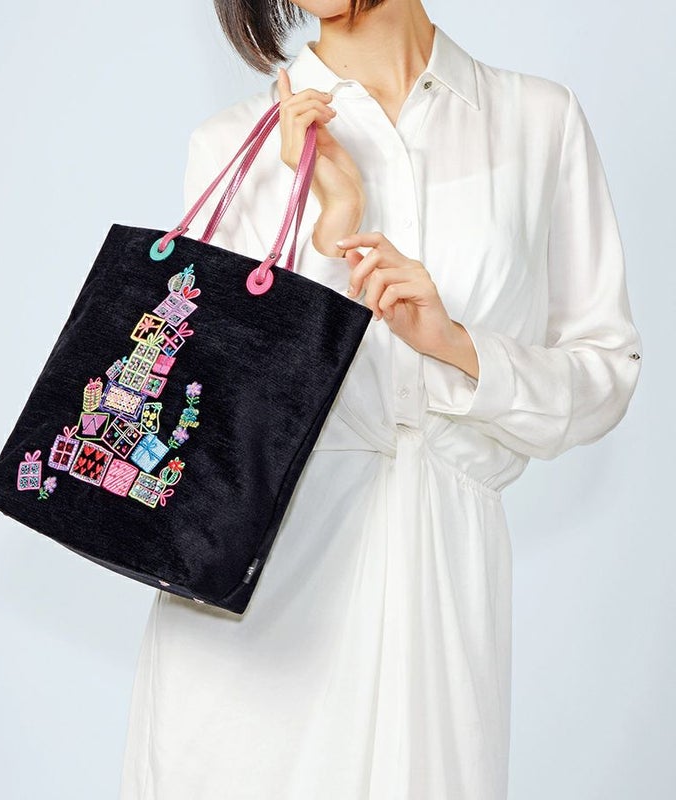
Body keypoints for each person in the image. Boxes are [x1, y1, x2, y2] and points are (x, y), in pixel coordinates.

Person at [119, 1, 643, 798]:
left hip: (440, 583)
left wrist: (456, 346)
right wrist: (332, 228)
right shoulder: (235, 143)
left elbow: (604, 375)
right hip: (253, 608)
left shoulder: (538, 122)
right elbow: (212, 409)